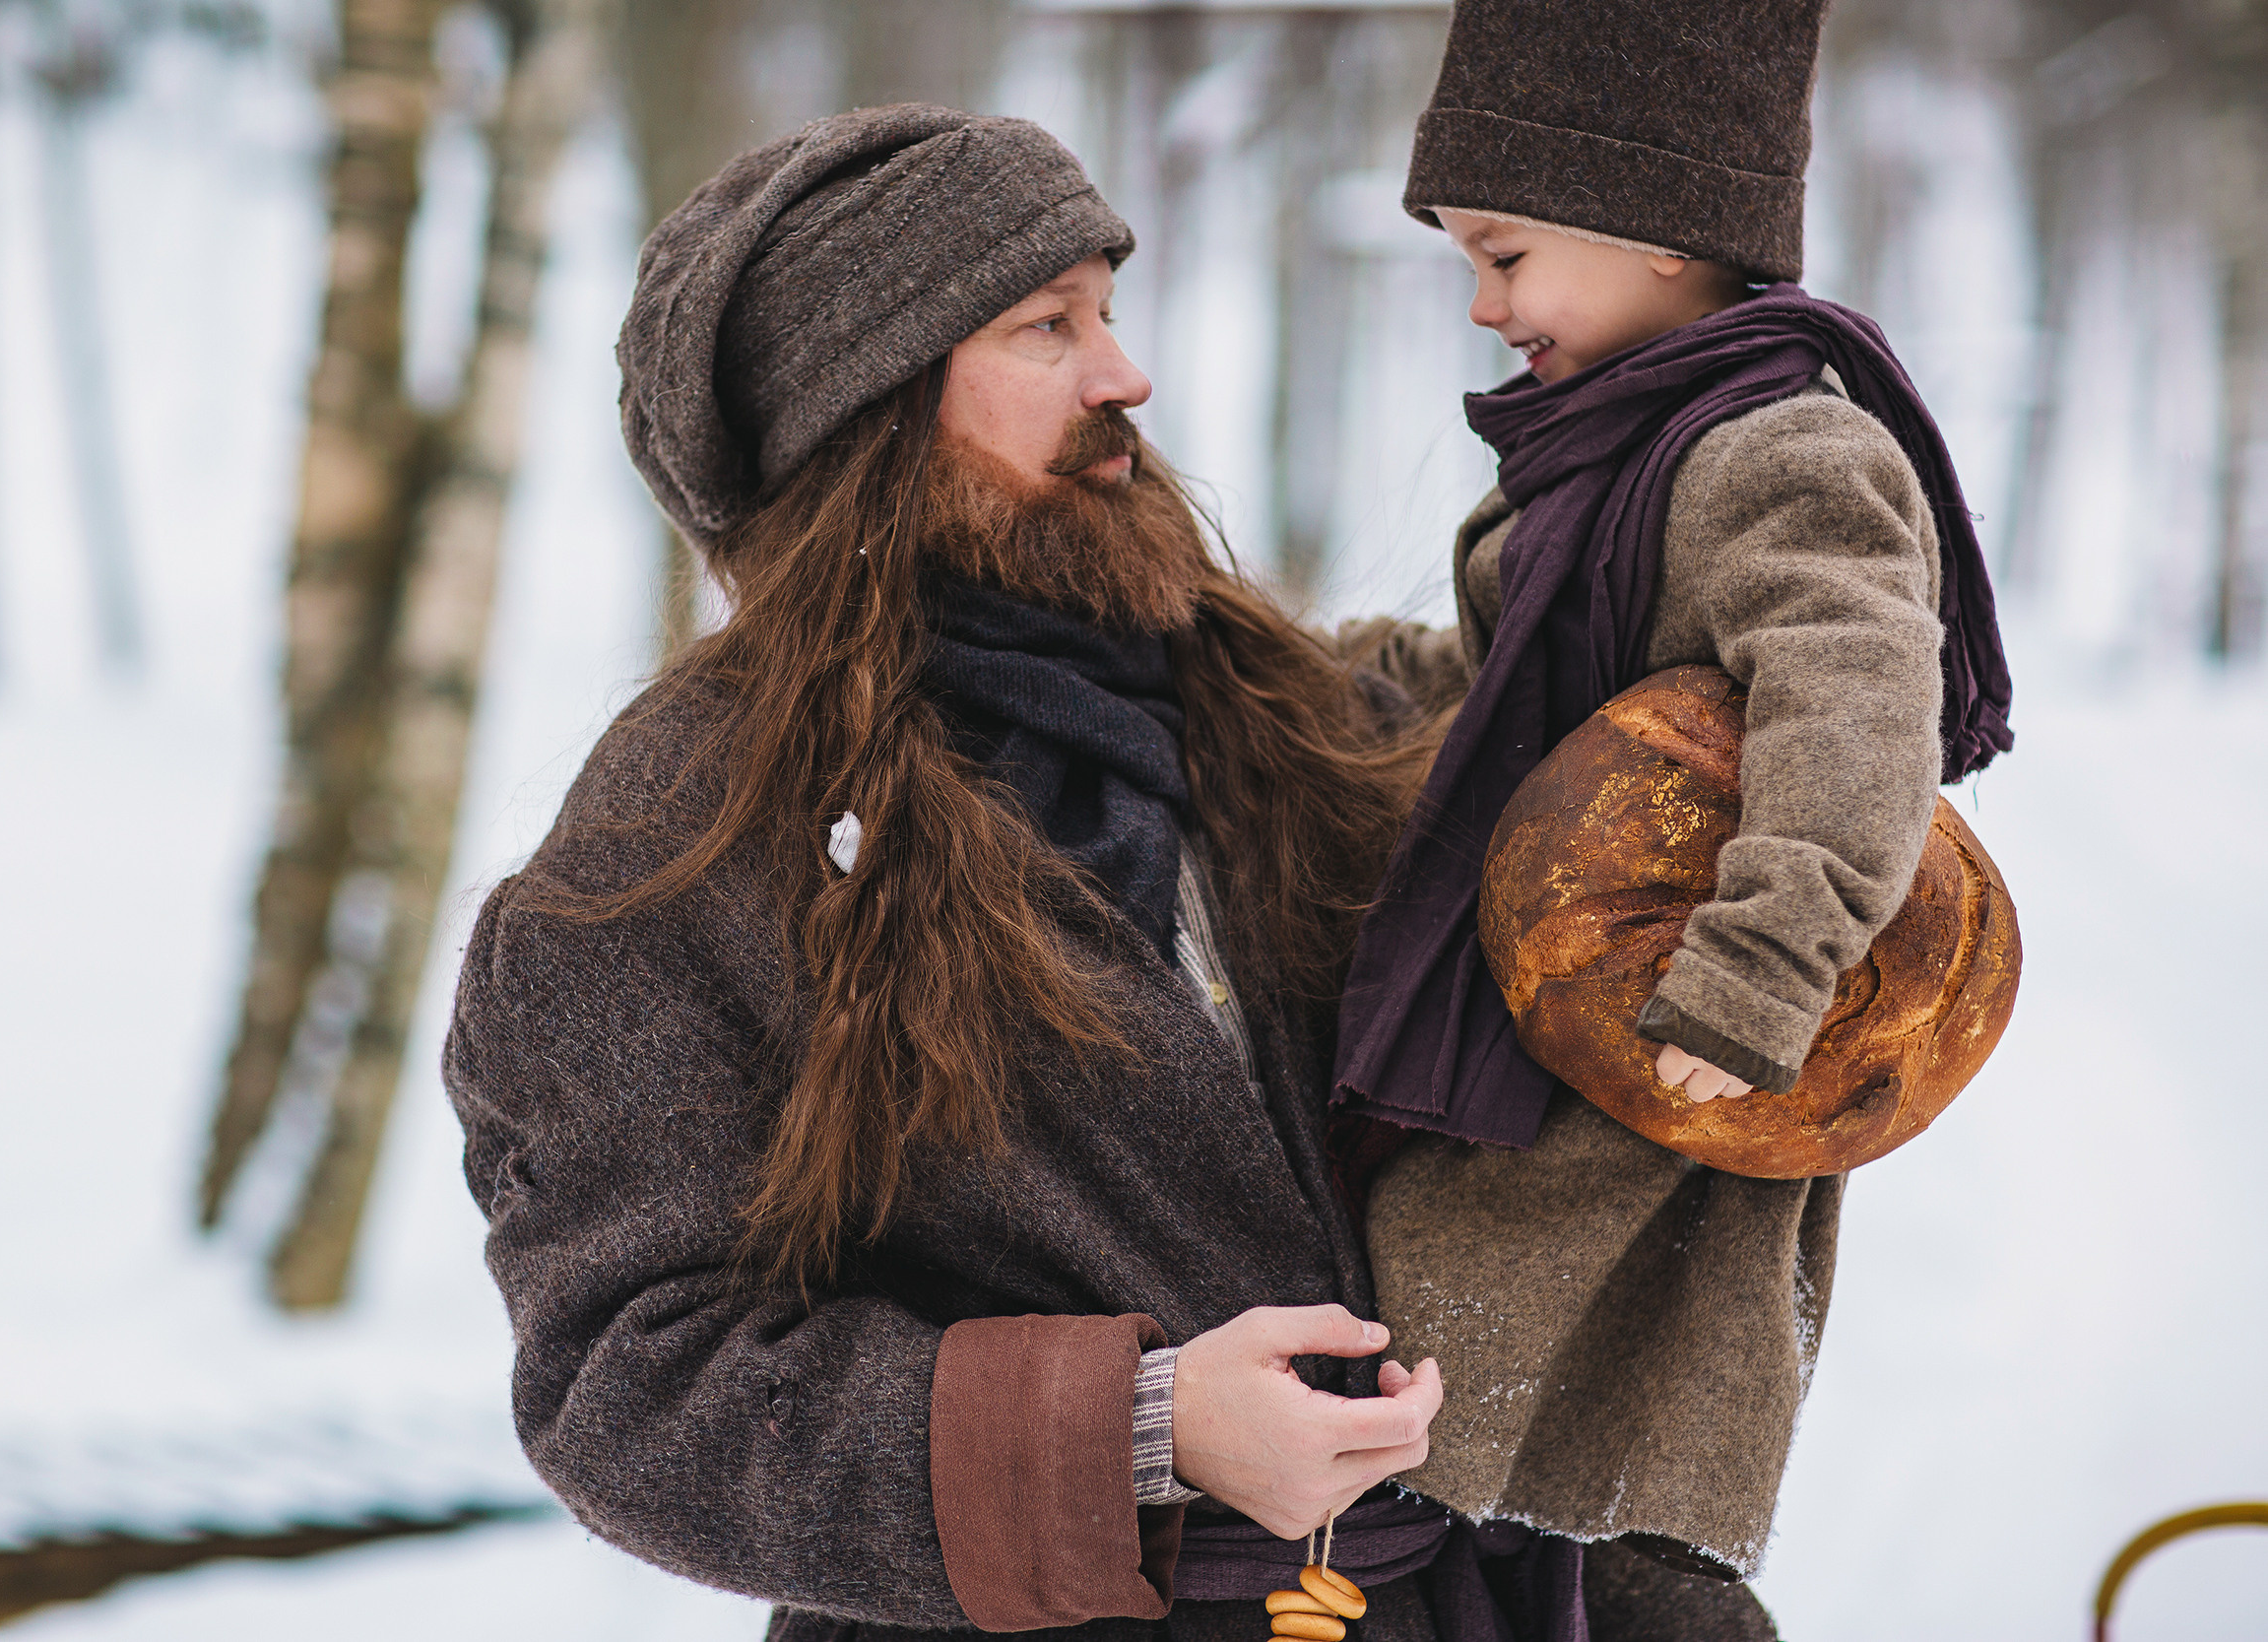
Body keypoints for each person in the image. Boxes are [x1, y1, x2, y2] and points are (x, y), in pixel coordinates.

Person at [445, 104, 1710, 1642]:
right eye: (1048, 328)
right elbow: (630, 1384)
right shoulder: (675, 849)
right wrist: (1147, 1430)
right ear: (870, 412)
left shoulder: (1265, 703)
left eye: (1107, 311)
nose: (1126, 375)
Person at [1329, 1, 2016, 1633]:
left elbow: (1858, 702)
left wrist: (1768, 959)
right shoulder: (1619, 450)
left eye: (1503, 256)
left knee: (1618, 1476)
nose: (1484, 305)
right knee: (1489, 1430)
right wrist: (1331, 682)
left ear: (1652, 229)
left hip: (1679, 1044)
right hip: (1564, 1028)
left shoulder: (1778, 450)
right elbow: (1514, 689)